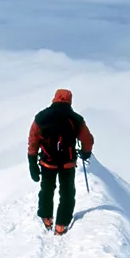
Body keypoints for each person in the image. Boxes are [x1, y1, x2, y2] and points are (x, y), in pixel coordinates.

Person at [27, 89, 95, 235]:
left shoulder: (41, 117)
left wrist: (32, 162)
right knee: (67, 192)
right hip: (67, 163)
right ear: (70, 100)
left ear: (54, 98)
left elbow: (33, 140)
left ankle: (46, 218)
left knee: (46, 189)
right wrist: (85, 153)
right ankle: (61, 225)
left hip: (47, 162)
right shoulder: (76, 119)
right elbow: (87, 139)